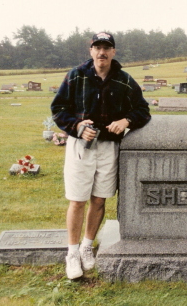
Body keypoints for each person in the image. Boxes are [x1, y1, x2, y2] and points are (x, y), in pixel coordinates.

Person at [51, 32, 151, 279]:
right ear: (91, 51)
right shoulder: (76, 76)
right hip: (80, 147)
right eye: (97, 47)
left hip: (108, 148)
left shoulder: (124, 80)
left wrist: (126, 120)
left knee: (99, 199)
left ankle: (87, 246)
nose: (102, 52)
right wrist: (77, 126)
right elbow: (58, 109)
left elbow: (143, 110)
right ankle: (72, 253)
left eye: (107, 48)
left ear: (113, 52)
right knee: (77, 200)